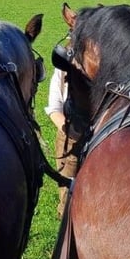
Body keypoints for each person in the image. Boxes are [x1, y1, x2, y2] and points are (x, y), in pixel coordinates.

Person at [44, 68, 81, 217]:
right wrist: (72, 133)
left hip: (103, 138)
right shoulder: (64, 66)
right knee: (68, 196)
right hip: (70, 139)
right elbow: (54, 108)